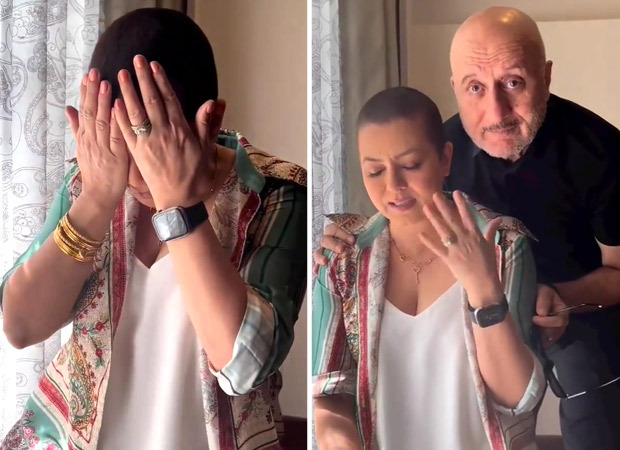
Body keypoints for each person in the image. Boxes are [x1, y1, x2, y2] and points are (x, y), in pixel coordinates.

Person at [314, 7, 620, 450]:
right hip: (472, 306)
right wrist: (344, 243)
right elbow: (395, 207)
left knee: (593, 392)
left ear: (546, 77)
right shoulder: (437, 149)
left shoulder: (600, 150)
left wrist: (560, 296)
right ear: (455, 87)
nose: (495, 110)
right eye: (475, 88)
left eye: (513, 83)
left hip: (572, 306)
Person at [0, 8, 306, 450]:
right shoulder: (93, 178)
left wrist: (178, 205)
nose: (133, 171)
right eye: (119, 145)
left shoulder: (274, 192)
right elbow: (20, 326)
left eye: (153, 143)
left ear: (210, 120)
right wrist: (95, 199)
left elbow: (244, 367)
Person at [312, 86, 545, 450]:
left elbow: (517, 398)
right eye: (375, 171)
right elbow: (329, 394)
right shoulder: (343, 259)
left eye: (410, 165)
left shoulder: (500, 244)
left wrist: (483, 290)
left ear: (445, 159)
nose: (394, 186)